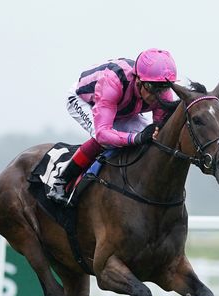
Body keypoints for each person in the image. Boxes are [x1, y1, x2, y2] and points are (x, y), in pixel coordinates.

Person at [47, 48, 177, 204]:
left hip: (120, 106)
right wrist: (135, 138)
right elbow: (103, 133)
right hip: (85, 99)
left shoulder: (162, 93)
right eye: (152, 87)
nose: (157, 95)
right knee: (104, 140)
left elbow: (159, 131)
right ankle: (61, 181)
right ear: (138, 80)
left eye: (163, 88)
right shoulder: (113, 81)